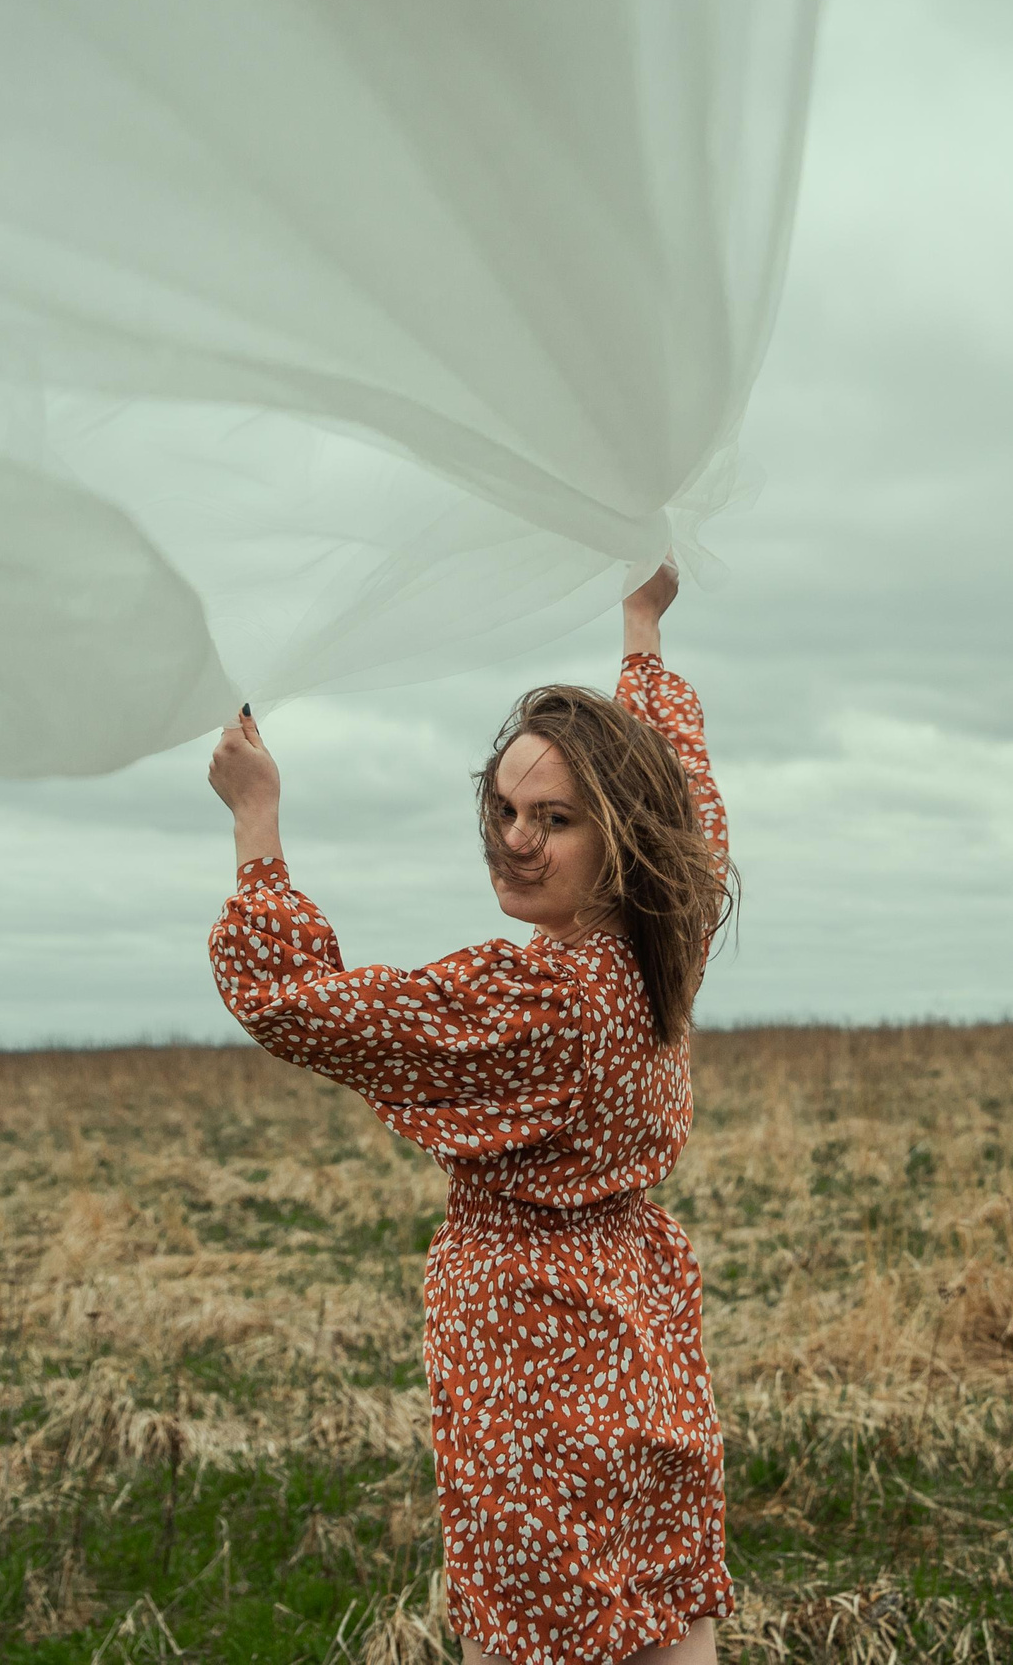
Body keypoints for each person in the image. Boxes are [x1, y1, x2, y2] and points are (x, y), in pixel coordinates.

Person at [206, 563, 733, 1665]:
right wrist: (641, 629)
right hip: (637, 1332)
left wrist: (257, 819)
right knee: (656, 1602)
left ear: (623, 835)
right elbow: (680, 773)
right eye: (501, 808)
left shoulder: (545, 996)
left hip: (535, 1353)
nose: (514, 838)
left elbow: (294, 1004)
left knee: (537, 1624)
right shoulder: (660, 935)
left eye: (554, 819)